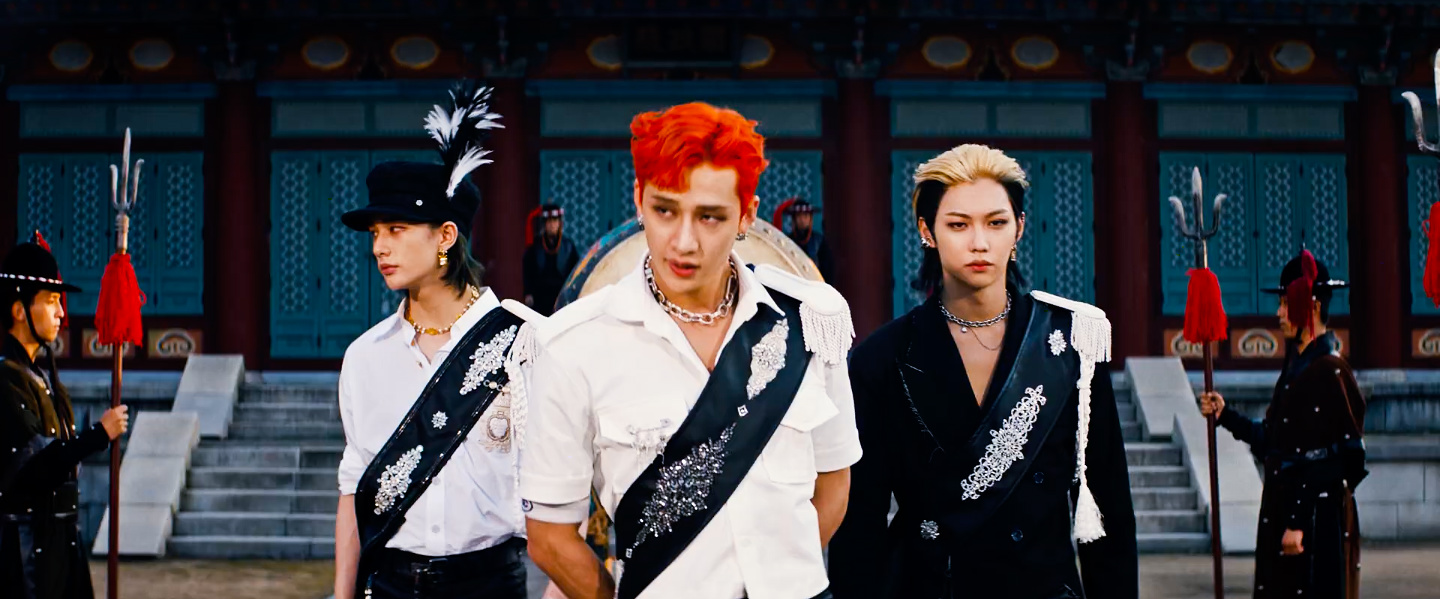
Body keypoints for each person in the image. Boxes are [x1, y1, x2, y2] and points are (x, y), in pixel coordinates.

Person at [521, 102, 861, 599]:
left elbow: (833, 485)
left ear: (747, 215)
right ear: (638, 199)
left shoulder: (809, 320)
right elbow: (550, 538)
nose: (684, 242)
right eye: (665, 210)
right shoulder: (574, 344)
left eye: (710, 217)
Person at [828, 144, 1138, 599]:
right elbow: (860, 525)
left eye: (996, 223)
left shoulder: (1072, 344)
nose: (979, 242)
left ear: (1019, 228)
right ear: (927, 231)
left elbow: (1109, 510)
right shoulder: (883, 358)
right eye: (958, 225)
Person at [332, 83, 542, 599]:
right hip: (389, 583)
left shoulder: (523, 342)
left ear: (446, 236)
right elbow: (354, 487)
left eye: (396, 229)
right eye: (375, 233)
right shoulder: (365, 357)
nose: (379, 247)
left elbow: (561, 483)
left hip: (489, 585)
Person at [1200, 250, 1366, 599]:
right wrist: (1226, 416)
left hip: (1314, 525)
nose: (1278, 313)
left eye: (1285, 304)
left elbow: (1340, 460)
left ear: (1312, 306)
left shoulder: (1331, 370)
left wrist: (1298, 522)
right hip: (1283, 513)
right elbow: (1273, 442)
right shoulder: (1296, 368)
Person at [0, 233, 130, 599]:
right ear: (19, 310)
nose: (61, 313)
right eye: (51, 301)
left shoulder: (45, 382)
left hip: (60, 544)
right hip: (25, 549)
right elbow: (38, 465)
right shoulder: (6, 381)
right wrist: (99, 434)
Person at [523, 203, 581, 316]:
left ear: (559, 223)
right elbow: (528, 271)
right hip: (540, 296)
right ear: (544, 224)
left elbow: (575, 271)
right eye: (549, 222)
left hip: (561, 295)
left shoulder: (568, 246)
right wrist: (528, 293)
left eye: (555, 221)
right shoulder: (535, 246)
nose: (552, 225)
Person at [771, 198, 833, 281]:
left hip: (815, 284)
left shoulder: (819, 242)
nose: (802, 220)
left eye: (805, 216)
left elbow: (828, 271)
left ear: (810, 218)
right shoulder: (787, 241)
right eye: (799, 216)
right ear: (794, 219)